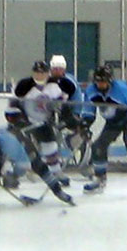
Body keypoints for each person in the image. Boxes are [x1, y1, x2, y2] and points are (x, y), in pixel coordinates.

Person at [80, 65, 127, 197]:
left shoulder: (121, 89)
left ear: (110, 81)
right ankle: (99, 179)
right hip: (114, 121)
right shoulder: (91, 90)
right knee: (98, 146)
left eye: (103, 81)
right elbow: (88, 110)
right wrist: (85, 125)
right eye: (98, 81)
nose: (101, 84)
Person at [9, 60, 75, 205]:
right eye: (37, 72)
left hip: (43, 123)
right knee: (23, 151)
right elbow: (12, 106)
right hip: (26, 124)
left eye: (43, 72)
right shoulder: (24, 86)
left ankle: (56, 172)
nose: (40, 75)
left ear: (47, 73)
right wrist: (17, 120)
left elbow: (61, 106)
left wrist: (69, 117)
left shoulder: (53, 86)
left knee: (50, 146)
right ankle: (14, 173)